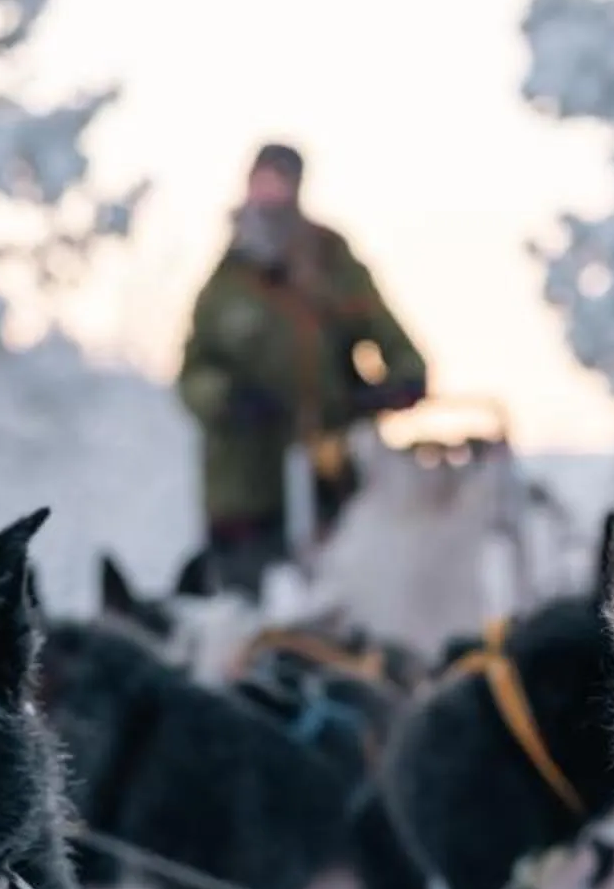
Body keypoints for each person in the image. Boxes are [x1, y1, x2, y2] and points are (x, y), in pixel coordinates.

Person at [173, 142, 428, 597]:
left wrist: (401, 379)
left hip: (331, 475)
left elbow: (383, 329)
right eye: (263, 181)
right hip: (247, 489)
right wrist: (228, 399)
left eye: (283, 181)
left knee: (349, 593)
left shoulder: (331, 262)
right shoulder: (226, 284)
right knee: (251, 602)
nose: (272, 193)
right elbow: (192, 375)